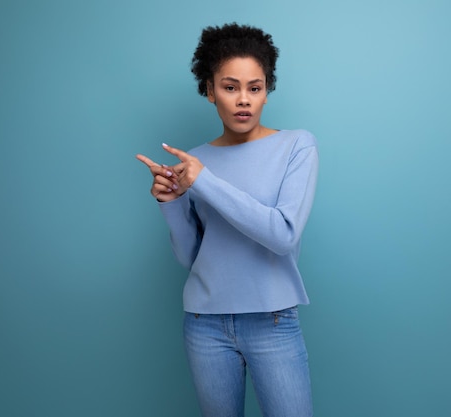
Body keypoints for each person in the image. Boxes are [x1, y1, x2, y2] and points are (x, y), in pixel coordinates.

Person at [136, 23, 318, 417]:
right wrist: (171, 203)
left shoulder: (295, 145)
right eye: (230, 86)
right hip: (205, 323)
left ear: (267, 90)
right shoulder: (198, 162)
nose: (244, 100)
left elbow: (282, 234)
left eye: (255, 87)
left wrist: (205, 182)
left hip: (272, 321)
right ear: (208, 90)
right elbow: (192, 257)